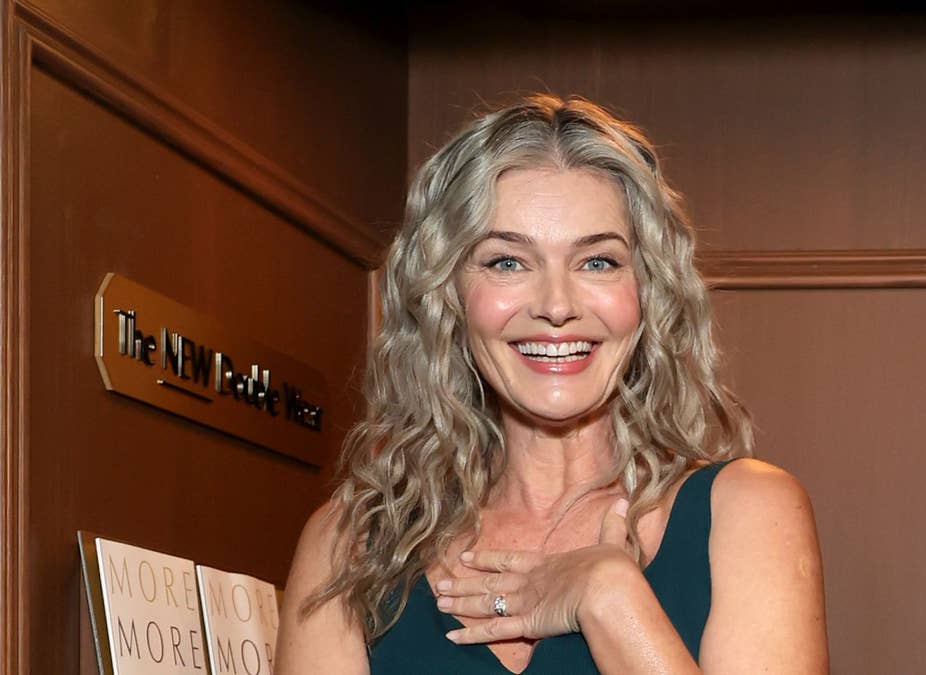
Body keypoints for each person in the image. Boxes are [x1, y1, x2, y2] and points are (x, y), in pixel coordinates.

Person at [276, 94, 828, 674]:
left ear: (649, 293)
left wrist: (612, 599)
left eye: (598, 262)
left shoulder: (746, 513)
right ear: (447, 295)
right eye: (507, 262)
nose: (557, 306)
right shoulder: (350, 545)